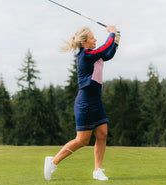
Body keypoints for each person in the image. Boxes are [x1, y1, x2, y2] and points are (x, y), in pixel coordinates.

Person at [44, 25, 120, 181]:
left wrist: (116, 41)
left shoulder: (93, 55)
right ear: (84, 42)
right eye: (92, 38)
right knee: (82, 140)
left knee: (102, 134)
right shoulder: (85, 55)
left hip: (96, 101)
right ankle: (53, 162)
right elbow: (105, 47)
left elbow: (108, 53)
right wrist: (111, 33)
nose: (95, 40)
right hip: (85, 103)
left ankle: (97, 170)